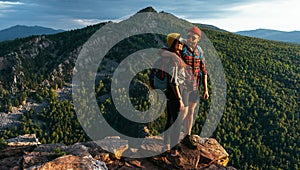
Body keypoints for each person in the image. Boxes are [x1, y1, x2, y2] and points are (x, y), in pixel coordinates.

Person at [161, 27, 209, 149]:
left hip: (195, 86)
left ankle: (187, 136)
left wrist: (206, 89)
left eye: (193, 37)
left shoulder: (200, 51)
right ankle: (174, 138)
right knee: (184, 112)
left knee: (191, 111)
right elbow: (161, 52)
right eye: (188, 36)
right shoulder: (182, 46)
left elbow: (204, 70)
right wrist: (174, 56)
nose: (190, 39)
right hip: (185, 86)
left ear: (198, 39)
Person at [159, 33, 188, 167]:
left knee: (170, 119)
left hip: (171, 94)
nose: (181, 44)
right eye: (179, 42)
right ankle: (173, 152)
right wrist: (180, 100)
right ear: (173, 44)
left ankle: (166, 145)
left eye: (182, 42)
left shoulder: (174, 55)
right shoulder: (174, 59)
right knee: (176, 122)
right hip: (175, 93)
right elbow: (173, 82)